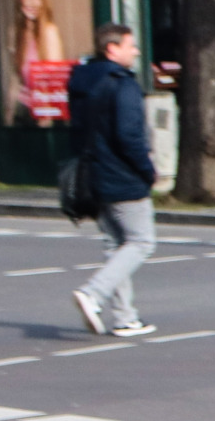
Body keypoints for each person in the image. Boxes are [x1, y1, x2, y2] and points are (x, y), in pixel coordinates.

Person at [66, 24, 158, 339]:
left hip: (92, 174)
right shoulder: (122, 84)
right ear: (112, 49)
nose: (135, 51)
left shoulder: (82, 80)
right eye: (130, 45)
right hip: (123, 176)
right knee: (141, 242)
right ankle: (93, 294)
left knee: (116, 245)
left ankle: (124, 317)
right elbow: (129, 135)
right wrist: (147, 170)